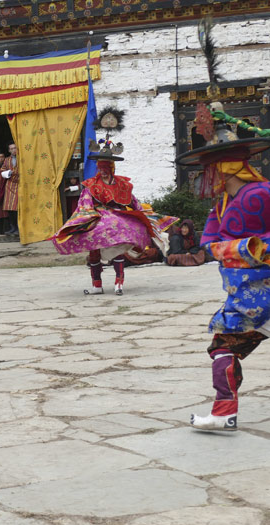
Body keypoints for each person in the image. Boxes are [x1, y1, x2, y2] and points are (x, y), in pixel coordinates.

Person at [175, 100, 270, 431]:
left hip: (260, 295)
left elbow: (227, 244)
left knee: (222, 345)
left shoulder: (261, 193)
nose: (207, 175)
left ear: (227, 166)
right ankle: (224, 411)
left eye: (211, 167)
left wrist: (247, 248)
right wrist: (225, 248)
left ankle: (224, 412)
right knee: (222, 347)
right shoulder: (223, 205)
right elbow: (209, 243)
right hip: (245, 292)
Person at [52, 137, 176, 295]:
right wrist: (88, 216)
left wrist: (144, 216)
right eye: (100, 168)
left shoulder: (122, 185)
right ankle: (97, 284)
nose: (103, 171)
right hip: (97, 218)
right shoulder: (91, 185)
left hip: (118, 219)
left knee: (118, 246)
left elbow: (134, 204)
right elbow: (85, 204)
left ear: (111, 168)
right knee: (94, 249)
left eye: (106, 168)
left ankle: (119, 282)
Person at [2, 143, 21, 236]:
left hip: (19, 184)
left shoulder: (22, 159)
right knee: (9, 207)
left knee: (17, 207)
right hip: (9, 184)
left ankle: (18, 227)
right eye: (11, 149)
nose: (13, 150)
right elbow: (2, 171)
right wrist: (9, 172)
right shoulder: (6, 160)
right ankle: (12, 227)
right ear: (9, 150)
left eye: (15, 148)